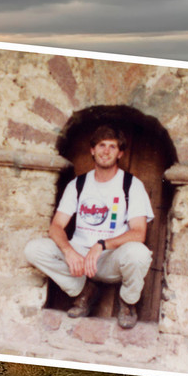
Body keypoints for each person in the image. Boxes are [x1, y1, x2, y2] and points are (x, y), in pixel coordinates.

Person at [24, 126, 154, 329]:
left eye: (113, 147)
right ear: (92, 150)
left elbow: (139, 233)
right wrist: (68, 251)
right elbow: (56, 226)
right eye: (101, 145)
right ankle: (84, 291)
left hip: (111, 259)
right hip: (80, 259)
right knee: (34, 249)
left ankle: (128, 302)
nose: (106, 151)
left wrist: (102, 244)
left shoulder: (131, 185)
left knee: (139, 253)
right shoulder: (78, 184)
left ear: (120, 153)